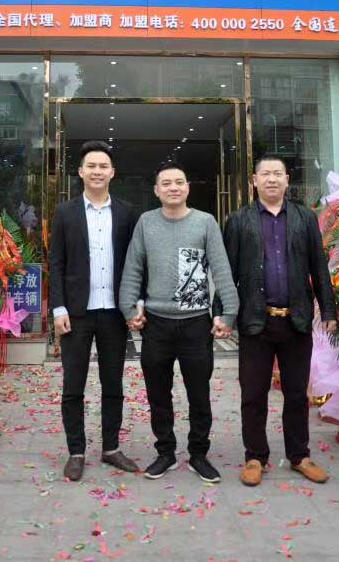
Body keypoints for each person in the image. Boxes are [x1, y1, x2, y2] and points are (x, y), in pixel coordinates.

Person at [216, 153, 337, 487]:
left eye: (277, 174)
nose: (271, 179)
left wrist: (328, 310)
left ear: (287, 180)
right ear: (254, 181)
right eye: (265, 174)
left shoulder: (304, 218)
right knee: (253, 394)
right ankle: (255, 457)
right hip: (256, 322)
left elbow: (319, 267)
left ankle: (299, 455)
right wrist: (221, 314)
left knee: (297, 394)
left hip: (296, 320)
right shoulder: (238, 220)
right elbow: (227, 273)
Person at [119, 162, 239, 483]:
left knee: (199, 393)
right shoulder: (146, 223)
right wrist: (129, 309)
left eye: (179, 182)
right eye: (166, 183)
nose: (173, 187)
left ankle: (199, 454)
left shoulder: (205, 222)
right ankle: (166, 452)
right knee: (158, 393)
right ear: (156, 190)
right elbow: (133, 268)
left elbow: (221, 270)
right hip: (156, 324)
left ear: (187, 188)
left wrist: (228, 313)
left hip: (196, 324)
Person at [49, 140, 139, 482]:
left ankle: (111, 448)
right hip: (77, 313)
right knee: (73, 385)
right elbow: (56, 263)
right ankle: (76, 451)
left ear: (112, 173)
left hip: (114, 313)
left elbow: (136, 263)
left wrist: (136, 303)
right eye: (92, 166)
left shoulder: (127, 212)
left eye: (103, 166)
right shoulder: (65, 212)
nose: (97, 171)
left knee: (113, 383)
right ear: (81, 171)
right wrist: (58, 308)